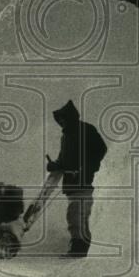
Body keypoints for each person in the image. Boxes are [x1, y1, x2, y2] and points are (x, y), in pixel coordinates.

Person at [46, 100, 108, 258]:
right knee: (77, 215)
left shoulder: (86, 130)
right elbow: (64, 159)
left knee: (77, 214)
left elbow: (101, 151)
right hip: (72, 184)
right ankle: (83, 247)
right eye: (59, 120)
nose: (61, 123)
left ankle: (79, 248)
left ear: (71, 117)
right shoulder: (65, 137)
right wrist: (55, 165)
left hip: (86, 181)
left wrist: (86, 169)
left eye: (63, 119)